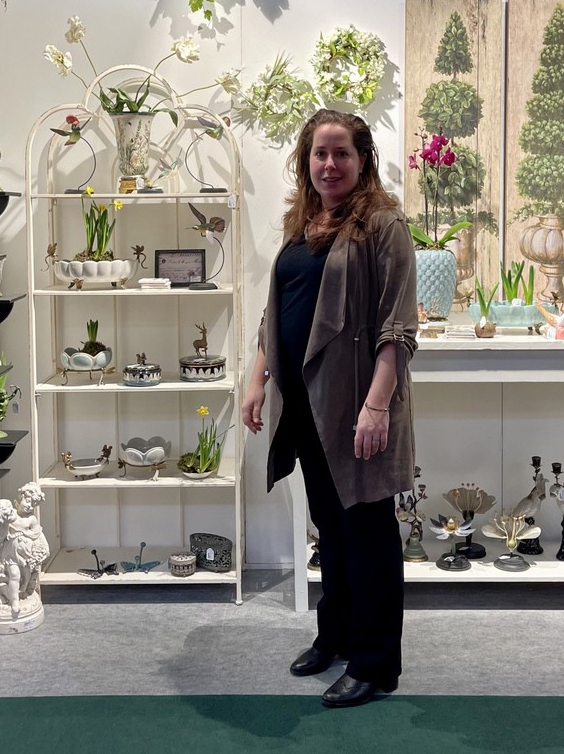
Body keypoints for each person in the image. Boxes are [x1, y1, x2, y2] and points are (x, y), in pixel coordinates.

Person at [241, 108, 418, 708]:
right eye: (320, 153)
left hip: (354, 407)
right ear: (306, 161)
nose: (330, 164)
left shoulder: (383, 226)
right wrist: (258, 378)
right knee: (333, 532)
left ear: (363, 160)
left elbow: (398, 327)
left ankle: (376, 664)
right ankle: (336, 635)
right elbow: (275, 312)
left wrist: (377, 407)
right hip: (306, 409)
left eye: (342, 153)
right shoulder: (302, 223)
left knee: (367, 534)